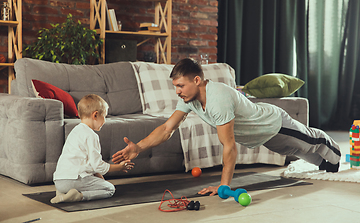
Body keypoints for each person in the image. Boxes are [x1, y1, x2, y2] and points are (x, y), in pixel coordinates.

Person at [112, 58, 341, 196]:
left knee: (311, 142)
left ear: (197, 81)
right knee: (299, 152)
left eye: (180, 85)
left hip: (275, 124)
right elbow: (166, 129)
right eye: (175, 86)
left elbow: (229, 146)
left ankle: (337, 154)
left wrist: (224, 186)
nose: (177, 91)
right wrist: (138, 148)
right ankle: (329, 165)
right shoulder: (189, 101)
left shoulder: (218, 98)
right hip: (262, 136)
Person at [51, 94, 134, 204]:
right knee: (109, 189)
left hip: (59, 181)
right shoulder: (91, 135)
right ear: (95, 115)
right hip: (74, 179)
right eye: (104, 116)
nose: (104, 121)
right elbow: (98, 165)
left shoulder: (75, 131)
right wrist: (119, 167)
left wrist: (98, 176)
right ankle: (79, 196)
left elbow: (85, 162)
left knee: (95, 182)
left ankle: (63, 193)